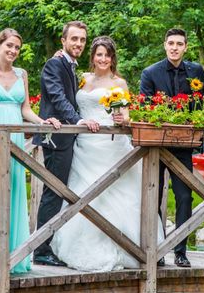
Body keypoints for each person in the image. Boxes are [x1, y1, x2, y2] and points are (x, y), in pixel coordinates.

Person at [51, 36, 163, 271]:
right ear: (93, 57)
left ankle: (127, 247)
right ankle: (79, 246)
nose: (103, 59)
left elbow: (127, 114)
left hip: (111, 144)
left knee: (116, 195)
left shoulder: (119, 83)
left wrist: (124, 119)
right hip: (85, 145)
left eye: (107, 55)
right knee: (83, 193)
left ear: (113, 58)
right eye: (99, 54)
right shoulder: (83, 79)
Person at [0, 28, 60, 273]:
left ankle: (13, 255)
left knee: (12, 190)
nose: (13, 51)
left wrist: (42, 121)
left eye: (17, 48)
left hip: (13, 135)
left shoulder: (22, 74)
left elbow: (25, 110)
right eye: (9, 46)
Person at [140, 28, 204, 268]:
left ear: (185, 47)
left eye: (179, 44)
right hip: (155, 147)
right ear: (164, 45)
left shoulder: (196, 71)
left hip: (183, 146)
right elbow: (144, 105)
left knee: (184, 196)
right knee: (154, 196)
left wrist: (200, 117)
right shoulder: (150, 72)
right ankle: (156, 249)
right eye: (171, 43)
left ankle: (180, 250)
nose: (174, 47)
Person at [33, 21, 99, 266]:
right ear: (63, 41)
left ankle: (48, 245)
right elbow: (58, 98)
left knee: (59, 192)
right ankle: (40, 249)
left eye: (82, 40)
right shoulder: (54, 64)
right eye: (74, 39)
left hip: (67, 138)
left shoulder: (70, 65)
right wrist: (78, 120)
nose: (78, 43)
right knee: (53, 192)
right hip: (57, 138)